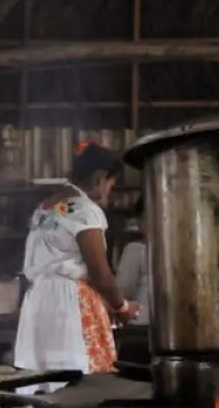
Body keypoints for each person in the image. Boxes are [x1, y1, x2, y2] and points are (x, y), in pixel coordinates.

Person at [13, 141, 134, 387]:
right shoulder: (85, 210)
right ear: (99, 178)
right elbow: (101, 274)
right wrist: (121, 307)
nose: (110, 190)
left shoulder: (45, 207)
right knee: (75, 383)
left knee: (42, 381)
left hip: (37, 302)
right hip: (67, 305)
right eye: (111, 183)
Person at [114, 195, 150, 326]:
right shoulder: (136, 250)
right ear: (141, 222)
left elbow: (121, 293)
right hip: (142, 328)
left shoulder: (136, 250)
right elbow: (122, 293)